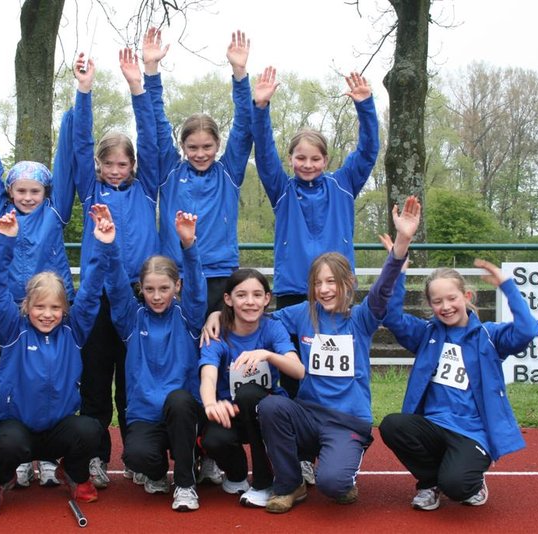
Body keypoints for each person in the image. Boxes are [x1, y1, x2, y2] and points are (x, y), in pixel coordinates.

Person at [247, 196, 420, 513]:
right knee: (271, 406)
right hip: (308, 415)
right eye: (317, 283)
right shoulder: (303, 313)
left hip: (346, 421)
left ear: (348, 282)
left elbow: (382, 291)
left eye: (331, 282)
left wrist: (401, 243)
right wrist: (220, 317)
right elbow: (260, 320)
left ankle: (343, 465)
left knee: (333, 485)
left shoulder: (362, 318)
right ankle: (290, 484)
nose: (324, 289)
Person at [250, 66, 380, 401]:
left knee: (335, 371)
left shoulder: (344, 183)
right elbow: (263, 154)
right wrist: (260, 108)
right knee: (294, 372)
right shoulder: (281, 189)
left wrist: (365, 106)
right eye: (300, 158)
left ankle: (341, 423)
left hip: (337, 290)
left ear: (326, 159)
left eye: (315, 158)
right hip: (295, 291)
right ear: (290, 159)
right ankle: (295, 429)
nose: (307, 164)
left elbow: (368, 151)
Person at [61, 48, 160, 489]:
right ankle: (96, 457)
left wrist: (138, 86)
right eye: (109, 164)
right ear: (98, 166)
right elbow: (80, 142)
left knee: (134, 382)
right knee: (96, 381)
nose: (116, 170)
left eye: (123, 164)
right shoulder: (91, 191)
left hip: (139, 296)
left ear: (134, 165)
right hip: (97, 298)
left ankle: (138, 457)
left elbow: (152, 138)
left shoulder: (148, 188)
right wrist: (84, 90)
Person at [377, 246, 538, 511]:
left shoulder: (489, 336)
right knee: (393, 425)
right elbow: (392, 317)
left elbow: (528, 330)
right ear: (430, 305)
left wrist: (507, 286)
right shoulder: (425, 333)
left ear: (466, 296)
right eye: (437, 301)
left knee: (457, 486)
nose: (446, 307)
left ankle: (471, 480)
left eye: (451, 298)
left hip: (472, 432)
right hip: (433, 426)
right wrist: (398, 272)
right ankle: (430, 483)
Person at [0, 89, 75, 485]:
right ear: (10, 192)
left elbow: (67, 162)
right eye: (21, 191)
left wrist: (75, 110)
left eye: (35, 191)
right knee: (21, 375)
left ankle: (48, 455)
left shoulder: (56, 212)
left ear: (46, 193)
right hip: (15, 309)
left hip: (54, 306)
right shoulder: (2, 213)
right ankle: (22, 453)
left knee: (56, 373)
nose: (28, 197)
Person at [0, 207, 115, 504]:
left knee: (90, 430)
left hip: (58, 428)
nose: (47, 314)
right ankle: (5, 474)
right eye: (40, 307)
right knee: (8, 445)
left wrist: (102, 245)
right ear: (27, 306)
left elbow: (91, 292)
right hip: (19, 425)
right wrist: (5, 242)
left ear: (65, 309)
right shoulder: (12, 329)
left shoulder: (73, 330)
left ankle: (74, 472)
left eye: (55, 307)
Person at [98, 204, 208, 511]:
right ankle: (158, 473)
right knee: (136, 456)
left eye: (164, 288)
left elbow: (198, 289)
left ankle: (185, 484)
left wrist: (188, 245)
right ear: (141, 289)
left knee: (180, 400)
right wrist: (109, 245)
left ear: (177, 286)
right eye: (149, 289)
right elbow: (116, 286)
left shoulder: (189, 317)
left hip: (182, 413)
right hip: (145, 414)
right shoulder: (131, 320)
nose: (157, 296)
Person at [142, 27, 253, 318]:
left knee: (216, 342)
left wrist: (240, 73)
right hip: (175, 274)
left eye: (207, 147)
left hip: (219, 274)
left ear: (218, 144)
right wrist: (151, 70)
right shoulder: (170, 171)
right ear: (182, 146)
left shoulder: (228, 173)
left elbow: (244, 126)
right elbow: (157, 122)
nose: (200, 154)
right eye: (192, 147)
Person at [199, 269, 304, 508]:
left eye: (257, 295)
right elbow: (208, 376)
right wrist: (211, 404)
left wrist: (268, 354)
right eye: (241, 295)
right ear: (228, 299)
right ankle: (236, 475)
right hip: (233, 412)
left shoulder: (272, 327)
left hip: (267, 414)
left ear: (267, 299)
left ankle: (264, 482)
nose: (250, 302)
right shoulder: (217, 333)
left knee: (248, 394)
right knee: (214, 440)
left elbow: (298, 371)